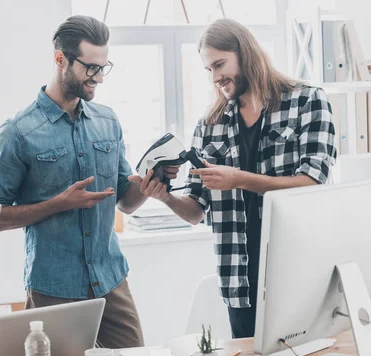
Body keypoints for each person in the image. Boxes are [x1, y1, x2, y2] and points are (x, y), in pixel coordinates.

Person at [132, 19, 337, 338]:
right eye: (208, 70)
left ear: (246, 53)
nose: (215, 77)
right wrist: (166, 197)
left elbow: (313, 184)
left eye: (219, 64)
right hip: (238, 280)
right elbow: (196, 210)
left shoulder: (307, 101)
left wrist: (239, 179)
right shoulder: (209, 124)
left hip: (299, 273)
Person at [0, 15, 178, 349]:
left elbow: (125, 202)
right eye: (91, 68)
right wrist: (58, 204)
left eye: (104, 67)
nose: (99, 78)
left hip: (110, 279)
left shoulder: (107, 121)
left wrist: (150, 182)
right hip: (53, 287)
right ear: (60, 60)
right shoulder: (17, 132)